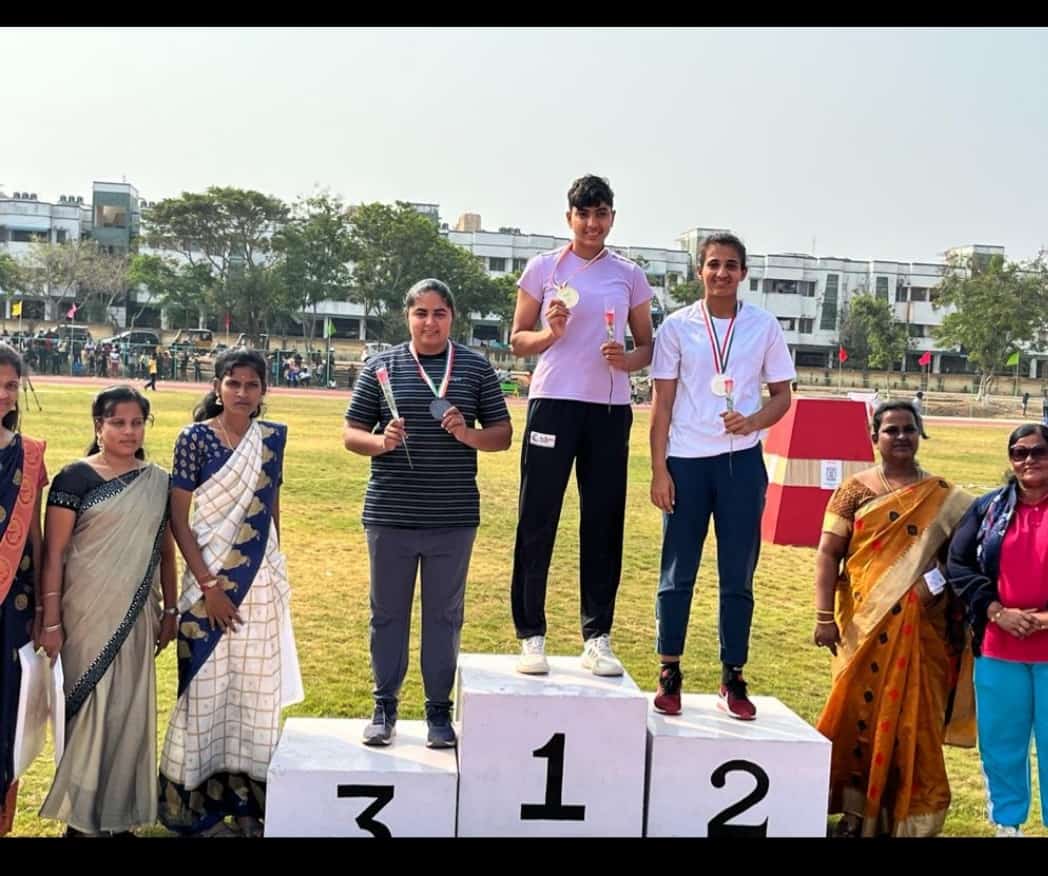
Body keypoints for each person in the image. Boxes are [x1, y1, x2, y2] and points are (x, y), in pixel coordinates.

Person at [344, 279, 512, 747]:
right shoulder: (381, 367)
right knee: (386, 615)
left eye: (439, 313)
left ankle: (439, 713)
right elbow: (351, 433)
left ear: (452, 317)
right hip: (390, 513)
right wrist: (382, 442)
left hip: (452, 516)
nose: (430, 322)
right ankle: (384, 708)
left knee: (444, 617)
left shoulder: (476, 368)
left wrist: (467, 434)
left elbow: (502, 435)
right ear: (408, 316)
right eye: (421, 313)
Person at [508, 174, 653, 676]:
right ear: (569, 217)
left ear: (612, 217)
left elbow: (647, 348)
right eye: (583, 214)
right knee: (537, 518)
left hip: (609, 411)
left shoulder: (629, 274)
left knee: (603, 523)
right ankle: (531, 634)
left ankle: (597, 636)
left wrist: (627, 359)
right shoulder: (544, 267)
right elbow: (518, 340)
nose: (592, 224)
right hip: (553, 402)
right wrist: (551, 332)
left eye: (602, 214)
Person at [649, 231, 794, 720]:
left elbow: (782, 396)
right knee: (677, 573)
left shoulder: (764, 326)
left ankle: (732, 675)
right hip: (686, 462)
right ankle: (669, 670)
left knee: (738, 574)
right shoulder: (675, 327)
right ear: (699, 272)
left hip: (741, 463)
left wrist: (752, 421)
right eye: (713, 264)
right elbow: (662, 402)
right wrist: (658, 470)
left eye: (731, 265)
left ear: (743, 273)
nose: (721, 273)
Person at [158, 349, 303, 838]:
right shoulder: (194, 438)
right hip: (209, 586)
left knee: (253, 695)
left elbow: (270, 507)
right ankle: (196, 805)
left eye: (252, 385)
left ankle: (247, 805)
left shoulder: (271, 439)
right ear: (217, 386)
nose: (242, 393)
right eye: (233, 384)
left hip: (259, 581)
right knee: (204, 692)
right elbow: (179, 518)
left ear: (264, 390)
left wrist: (275, 566)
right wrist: (208, 586)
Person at [814, 401, 973, 837]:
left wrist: (931, 585)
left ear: (921, 434)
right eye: (891, 430)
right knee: (854, 716)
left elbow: (961, 561)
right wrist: (824, 616)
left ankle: (905, 819)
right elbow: (829, 554)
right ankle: (852, 816)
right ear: (875, 438)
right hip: (862, 625)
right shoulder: (853, 491)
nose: (900, 437)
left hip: (922, 629)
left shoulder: (945, 497)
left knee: (912, 723)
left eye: (908, 429)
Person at [38, 385, 177, 837]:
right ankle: (81, 820)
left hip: (137, 614)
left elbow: (166, 551)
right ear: (98, 425)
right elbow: (55, 554)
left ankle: (119, 818)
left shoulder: (157, 481)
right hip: (83, 615)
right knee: (90, 711)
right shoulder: (74, 478)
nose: (128, 431)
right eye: (117, 422)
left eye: (137, 422)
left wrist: (170, 609)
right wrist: (52, 621)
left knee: (125, 712)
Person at [947, 423, 1048, 837]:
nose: (1029, 460)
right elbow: (958, 565)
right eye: (1020, 453)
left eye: (1039, 452)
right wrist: (994, 610)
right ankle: (1008, 826)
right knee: (1002, 747)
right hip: (999, 650)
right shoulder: (988, 509)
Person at [0, 345, 47, 836]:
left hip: (13, 608)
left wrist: (41, 606)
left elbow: (33, 534)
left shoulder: (29, 455)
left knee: (6, 713)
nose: (3, 394)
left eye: (11, 385)